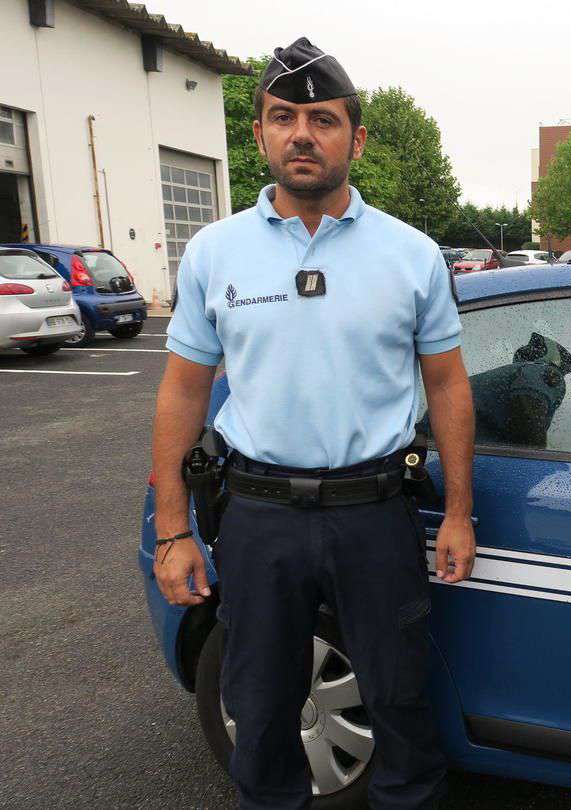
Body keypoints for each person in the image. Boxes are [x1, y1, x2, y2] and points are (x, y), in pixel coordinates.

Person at [150, 37, 475, 810]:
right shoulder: (213, 252)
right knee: (260, 718)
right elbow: (181, 394)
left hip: (376, 516)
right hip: (258, 520)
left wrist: (459, 510)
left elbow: (449, 385)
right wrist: (172, 529)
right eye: (283, 116)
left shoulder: (412, 254)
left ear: (355, 139)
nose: (303, 133)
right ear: (260, 132)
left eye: (323, 119)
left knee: (400, 705)